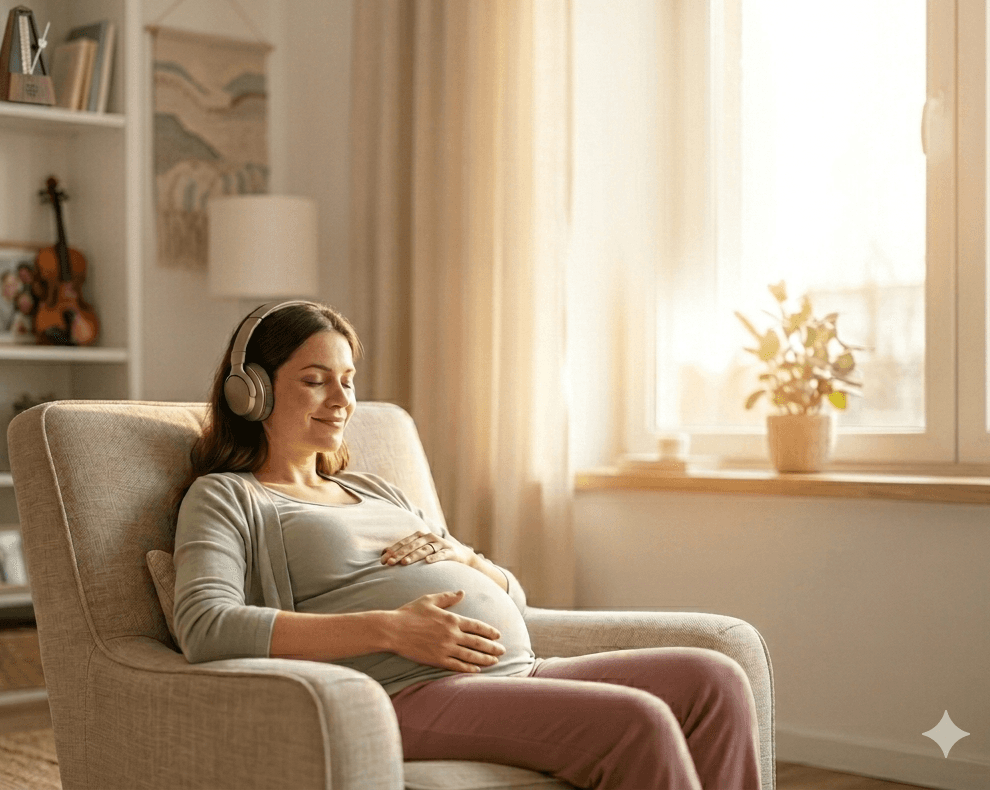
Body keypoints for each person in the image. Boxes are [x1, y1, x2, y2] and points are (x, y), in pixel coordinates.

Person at [174, 301, 761, 790]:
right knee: (637, 722)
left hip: (518, 672)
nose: (341, 399)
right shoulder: (229, 496)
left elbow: (514, 596)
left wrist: (467, 558)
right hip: (402, 691)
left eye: (348, 381)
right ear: (249, 392)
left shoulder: (374, 490)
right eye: (314, 380)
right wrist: (389, 629)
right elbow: (206, 626)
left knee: (714, 680)